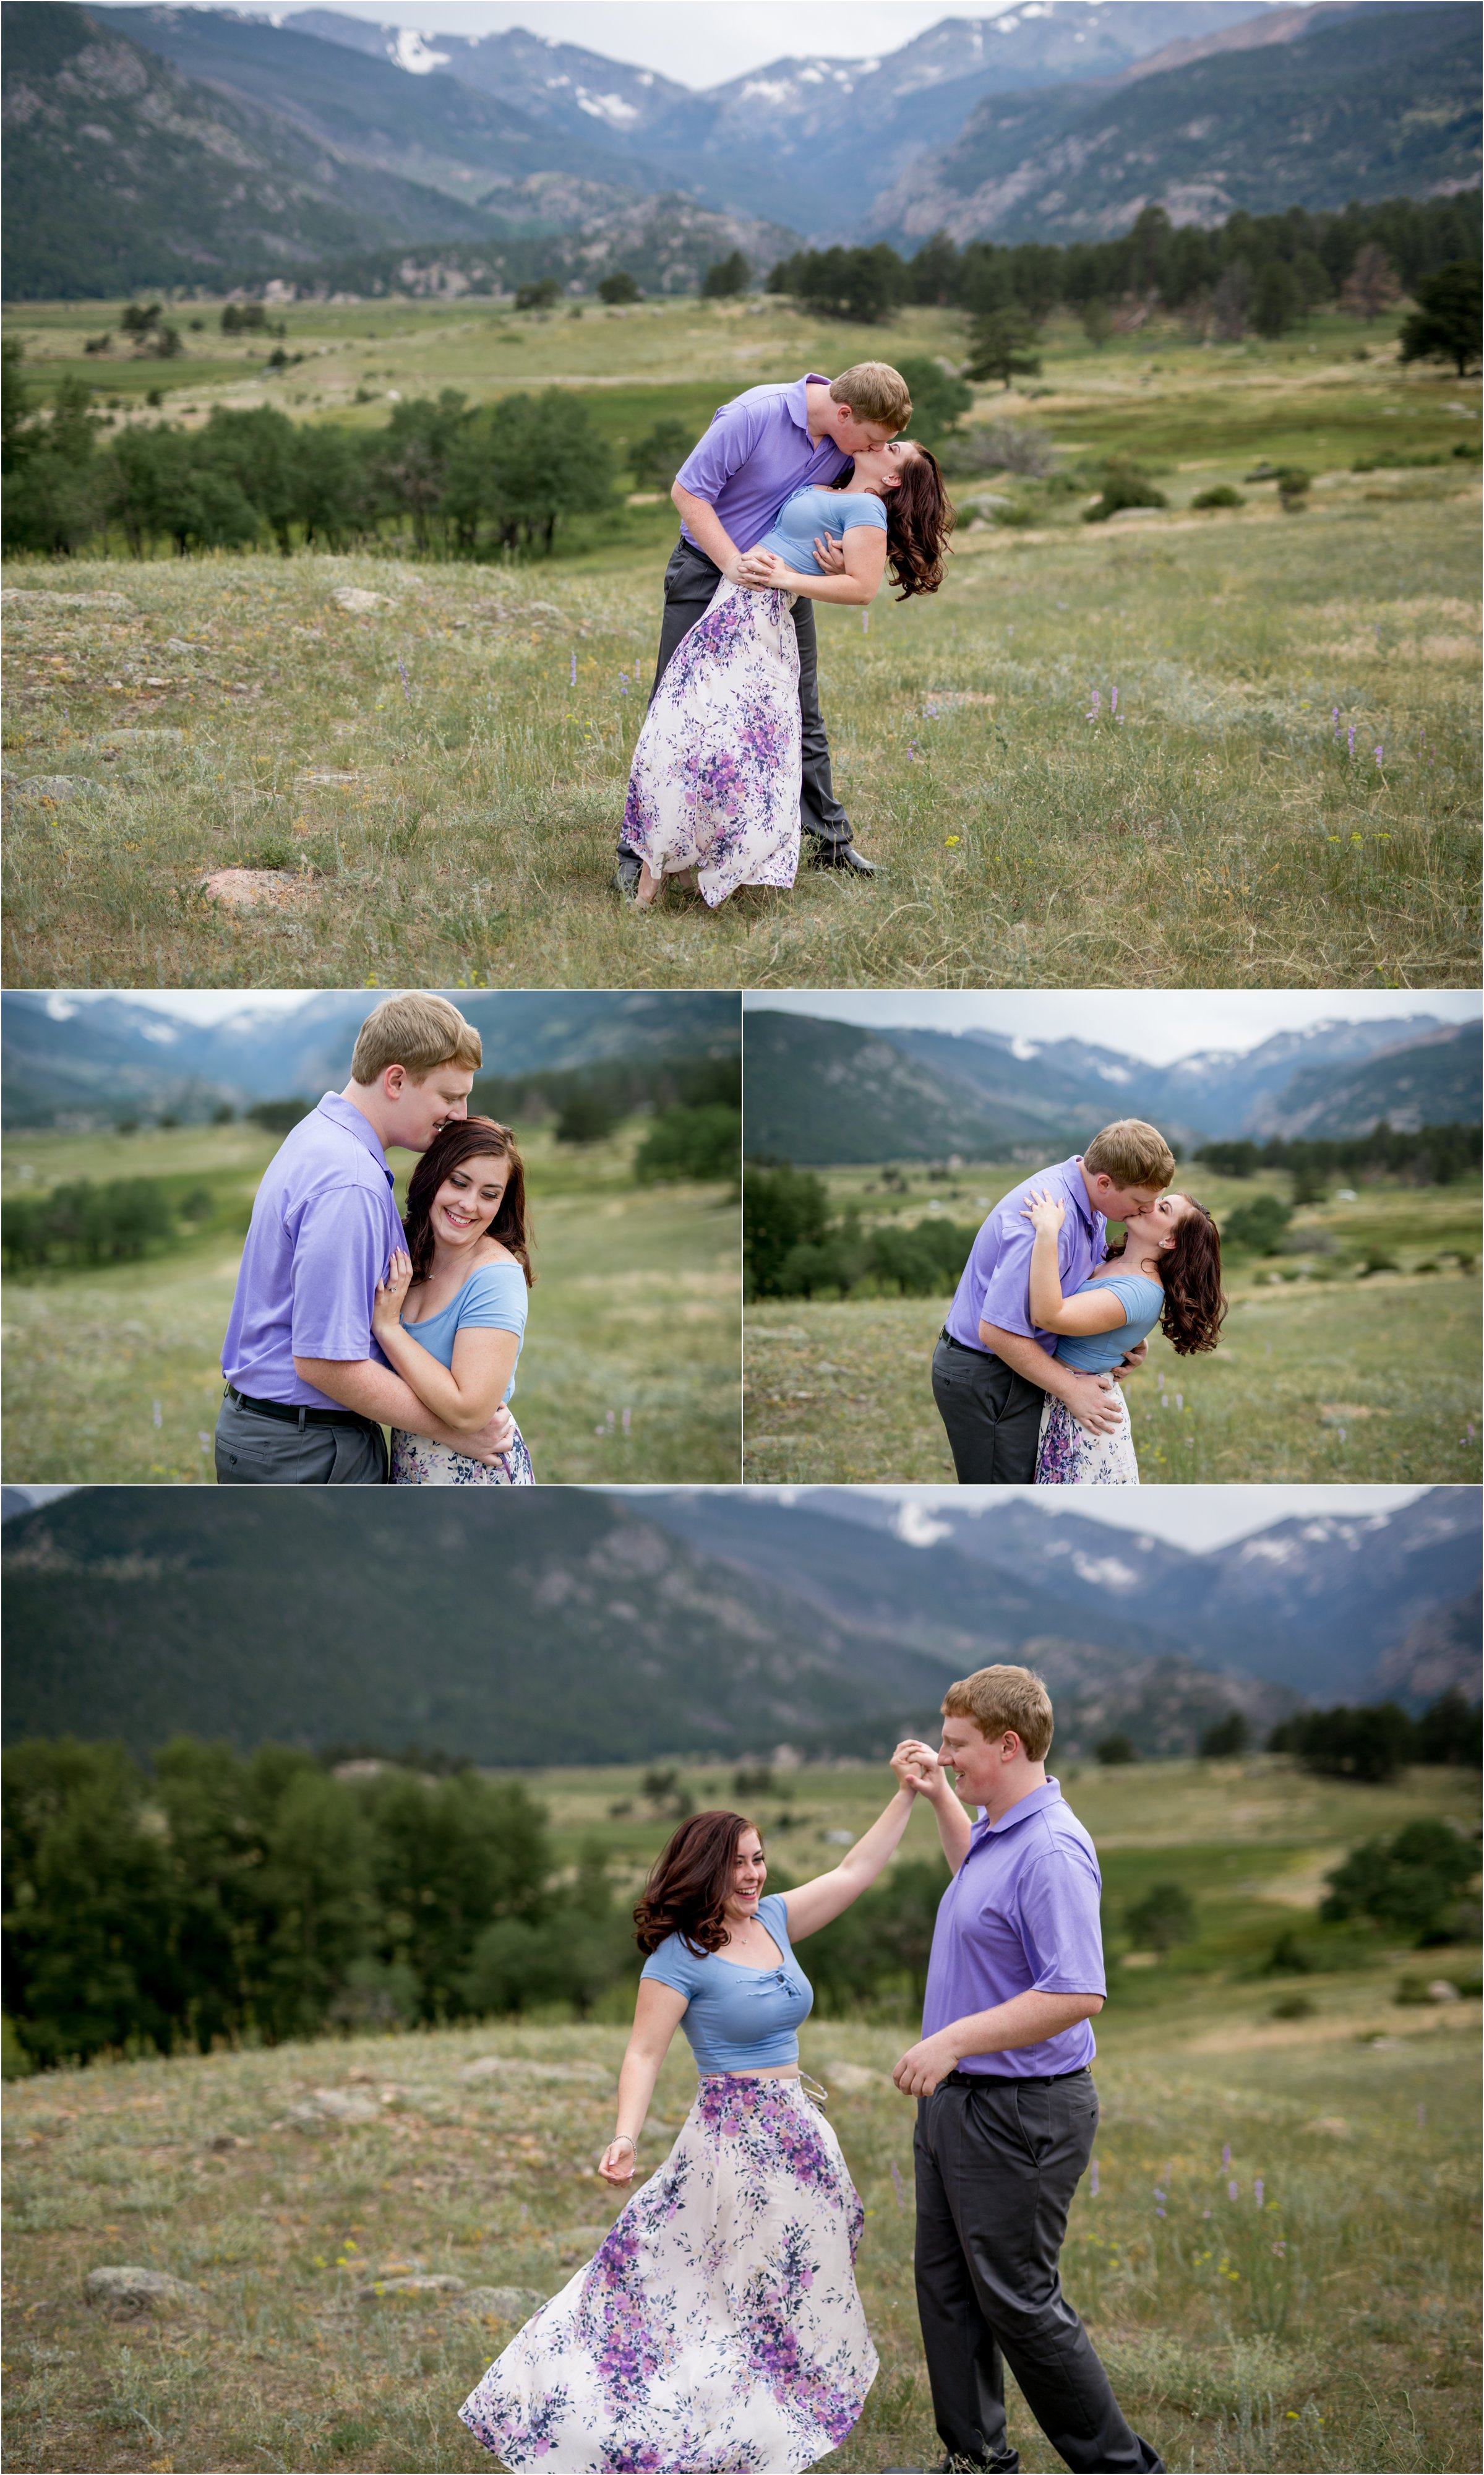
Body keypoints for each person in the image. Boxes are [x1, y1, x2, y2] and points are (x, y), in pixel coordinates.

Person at [460, 1768, 933, 2471]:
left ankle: (775, 2402)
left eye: (757, 1859)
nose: (750, 1875)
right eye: (736, 1862)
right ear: (704, 1869)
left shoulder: (772, 1917)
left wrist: (907, 1794)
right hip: (730, 2141)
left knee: (797, 2276)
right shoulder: (678, 1955)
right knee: (713, 2284)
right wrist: (625, 2134)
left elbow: (855, 1870)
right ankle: (677, 2413)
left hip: (798, 2134)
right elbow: (643, 2052)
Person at [891, 1666, 1165, 2475]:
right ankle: (974, 2462)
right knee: (945, 2294)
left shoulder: (1049, 1848)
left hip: (1018, 2112)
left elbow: (1077, 1991)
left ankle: (1122, 2470)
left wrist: (952, 2041)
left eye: (957, 1748)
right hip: (958, 2108)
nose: (943, 1759)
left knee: (1017, 2303)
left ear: (1008, 1746)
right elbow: (975, 1889)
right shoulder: (995, 1832)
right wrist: (942, 1802)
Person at [612, 363, 915, 900]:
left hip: (783, 586)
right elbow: (688, 493)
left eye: (879, 445)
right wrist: (730, 563)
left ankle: (827, 841)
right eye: (870, 440)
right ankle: (638, 856)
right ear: (844, 414)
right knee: (675, 708)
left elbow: (884, 491)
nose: (869, 451)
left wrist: (843, 553)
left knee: (801, 710)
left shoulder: (853, 443)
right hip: (709, 569)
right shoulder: (754, 415)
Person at [215, 994, 513, 1485]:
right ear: (396, 1080)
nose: (460, 1114)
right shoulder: (349, 1180)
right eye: (448, 1096)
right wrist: (455, 1432)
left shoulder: (319, 1135)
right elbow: (324, 1363)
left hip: (282, 1438)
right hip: (306, 1449)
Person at [930, 1121, 1177, 1487]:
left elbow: (1075, 1286)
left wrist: (1111, 1338)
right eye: (1141, 1202)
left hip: (1019, 1368)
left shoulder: (1093, 1202)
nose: (1147, 1211)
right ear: (1106, 1182)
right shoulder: (1048, 1222)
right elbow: (997, 1331)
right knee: (1004, 1500)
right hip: (990, 1373)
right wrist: (1071, 1389)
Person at [1022, 1185, 1226, 1484]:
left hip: (1084, 1422)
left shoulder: (1140, 1291)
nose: (1150, 1204)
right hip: (1070, 1403)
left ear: (1169, 1240)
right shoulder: (1117, 1263)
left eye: (1164, 1208)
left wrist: (1047, 1232)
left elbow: (1049, 1316)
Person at [371, 1116, 536, 1485]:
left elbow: (468, 1413)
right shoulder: (407, 1253)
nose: (468, 1204)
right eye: (458, 1182)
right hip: (409, 1465)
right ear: (434, 1176)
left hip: (477, 1473)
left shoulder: (495, 1277)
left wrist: (389, 1329)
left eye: (489, 1194)